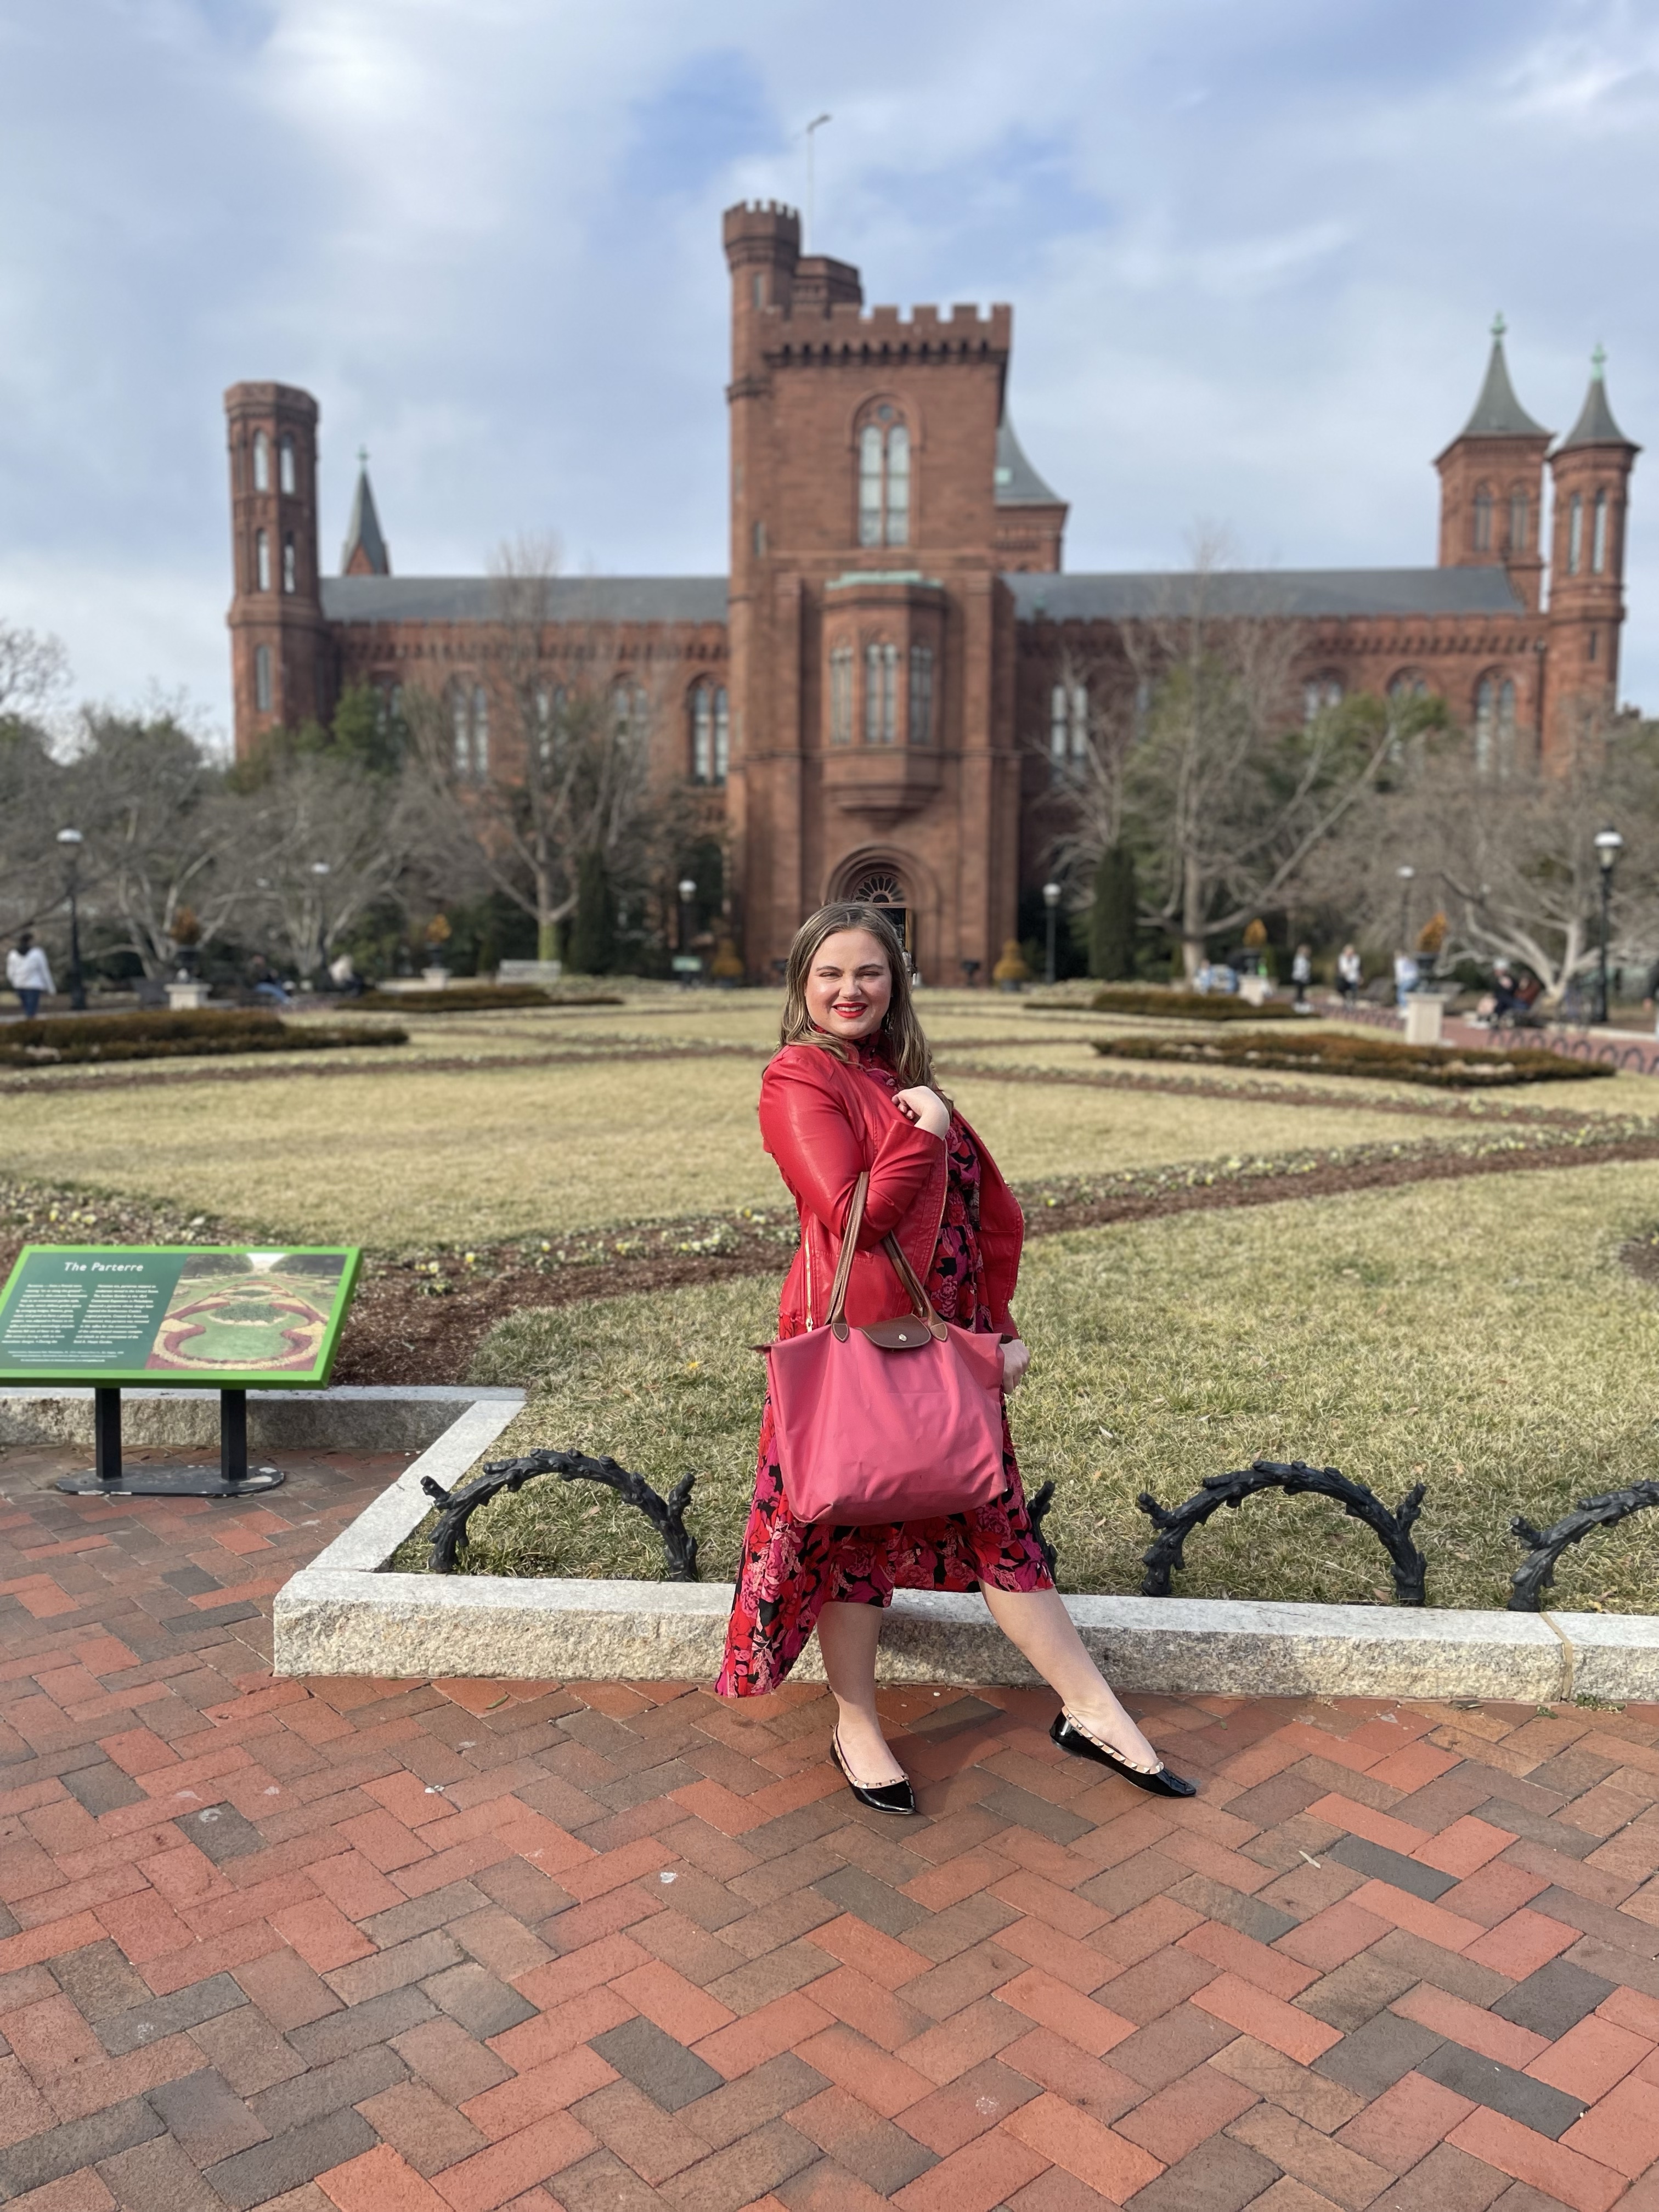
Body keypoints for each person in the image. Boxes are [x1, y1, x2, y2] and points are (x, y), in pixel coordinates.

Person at [717, 900, 1194, 1809]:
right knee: (848, 1523)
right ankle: (855, 1723)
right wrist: (924, 1130)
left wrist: (998, 1329)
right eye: (829, 973)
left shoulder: (901, 1076)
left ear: (895, 981)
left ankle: (1091, 1709)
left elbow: (981, 1223)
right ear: (801, 985)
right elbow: (853, 1216)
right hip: (855, 1348)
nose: (849, 989)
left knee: (998, 1525)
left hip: (944, 1344)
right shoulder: (798, 1077)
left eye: (868, 970)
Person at [7, 933, 55, 1020]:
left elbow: (10, 972)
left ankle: (28, 1023)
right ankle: (30, 1024)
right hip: (34, 985)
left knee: (27, 1009)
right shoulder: (37, 953)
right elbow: (44, 971)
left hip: (19, 984)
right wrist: (51, 987)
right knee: (31, 1011)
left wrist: (14, 982)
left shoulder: (13, 954)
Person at [1336, 944, 1362, 1008]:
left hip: (1354, 977)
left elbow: (1359, 968)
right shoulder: (1342, 958)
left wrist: (1360, 977)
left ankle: (1353, 1003)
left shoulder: (1356, 958)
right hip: (1344, 978)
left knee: (1354, 991)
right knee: (1342, 989)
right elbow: (1340, 969)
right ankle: (1345, 1001)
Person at [1291, 942, 1313, 1009]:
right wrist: (1303, 977)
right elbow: (1301, 969)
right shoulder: (1300, 959)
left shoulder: (1304, 959)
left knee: (1301, 992)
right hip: (1299, 978)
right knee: (1299, 992)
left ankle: (1300, 1002)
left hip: (1302, 978)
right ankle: (1298, 1004)